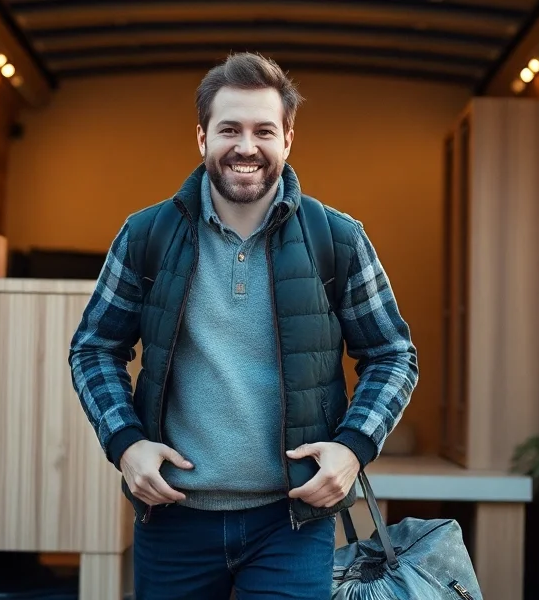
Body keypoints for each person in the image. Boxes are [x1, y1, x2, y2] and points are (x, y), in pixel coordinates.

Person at [68, 52, 419, 600]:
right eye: (229, 128)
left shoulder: (339, 239)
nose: (247, 146)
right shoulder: (145, 235)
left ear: (288, 140)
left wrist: (352, 448)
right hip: (173, 518)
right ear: (203, 139)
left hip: (293, 523)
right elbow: (94, 348)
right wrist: (125, 443)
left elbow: (393, 354)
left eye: (264, 130)